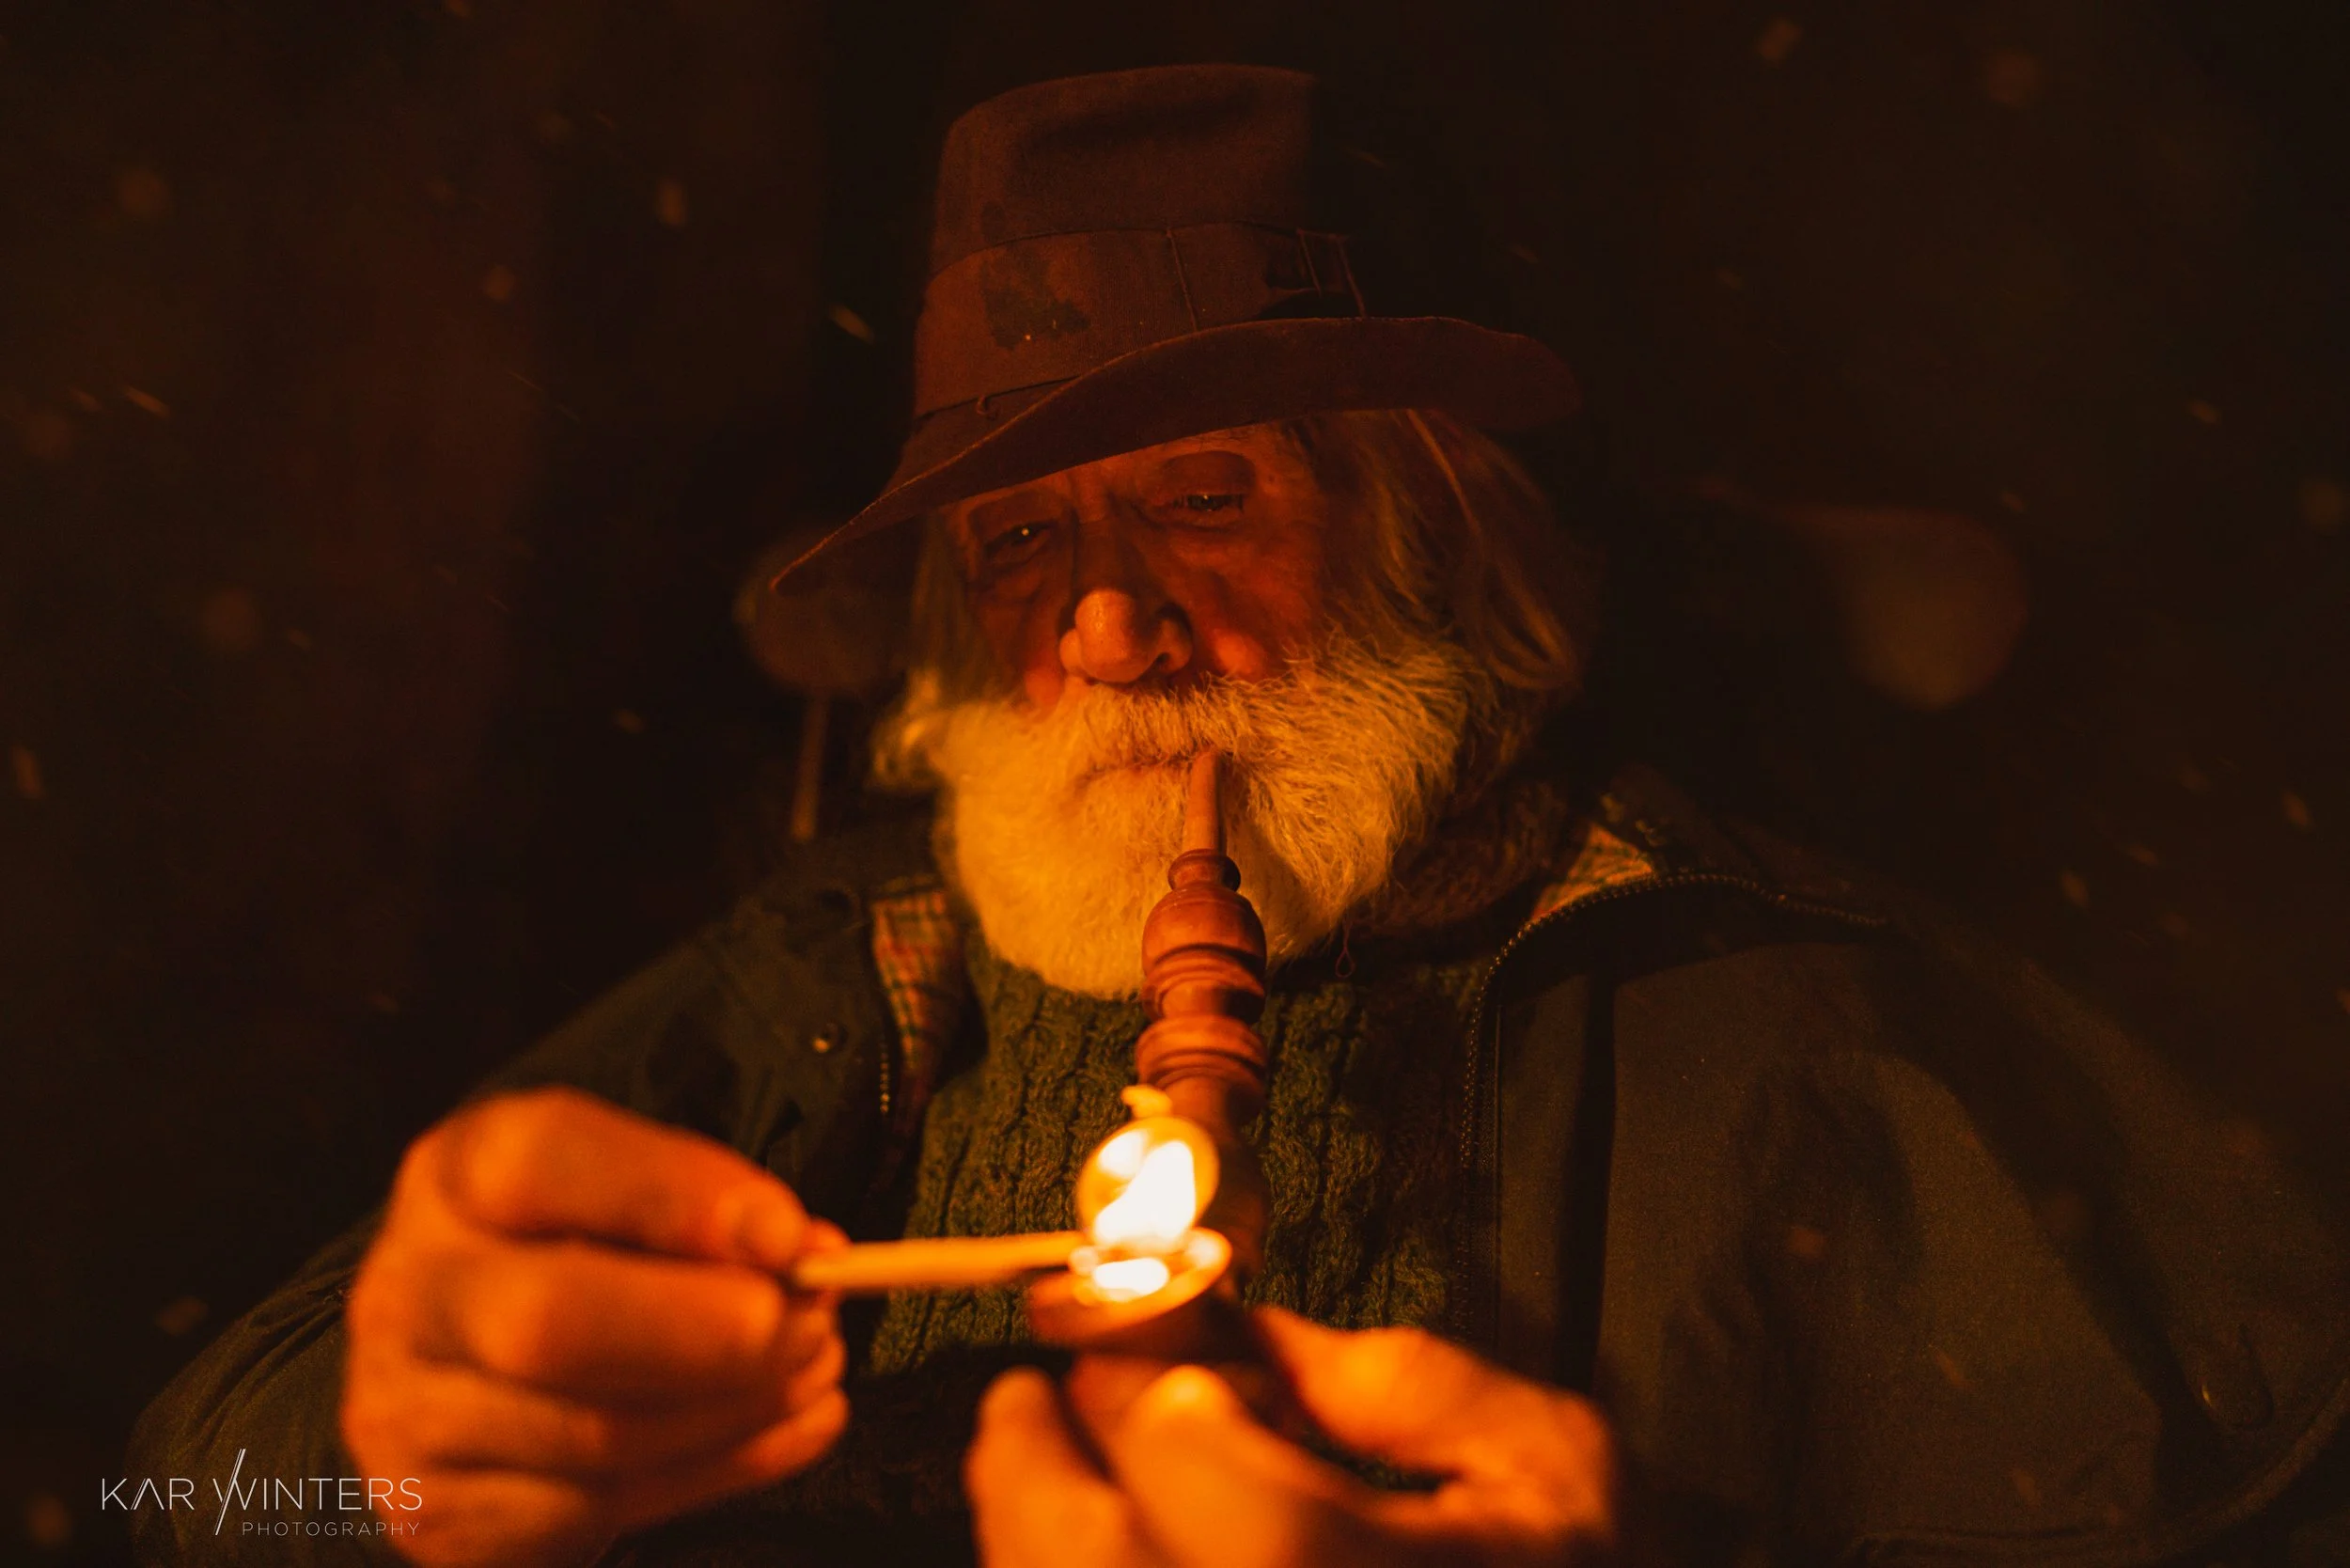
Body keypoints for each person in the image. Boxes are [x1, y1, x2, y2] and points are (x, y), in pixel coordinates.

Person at [128, 65, 2349, 1568]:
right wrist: (390, 1453)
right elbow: (191, 1505)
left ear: (1426, 551)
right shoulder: (840, 961)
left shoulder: (1773, 1011)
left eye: (1206, 499)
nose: (1101, 625)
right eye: (1011, 547)